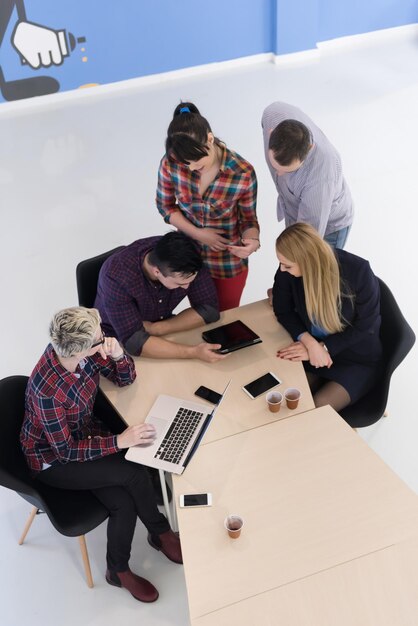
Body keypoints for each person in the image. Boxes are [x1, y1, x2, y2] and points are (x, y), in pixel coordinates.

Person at [20, 307, 182, 603]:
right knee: (133, 472)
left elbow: (125, 379)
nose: (104, 339)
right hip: (53, 461)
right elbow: (65, 451)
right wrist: (119, 441)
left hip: (82, 436)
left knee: (123, 503)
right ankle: (157, 535)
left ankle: (121, 566)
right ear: (84, 348)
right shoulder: (48, 392)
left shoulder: (82, 353)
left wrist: (118, 355)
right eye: (100, 338)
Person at [156, 102, 260, 311]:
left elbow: (248, 219)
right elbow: (165, 206)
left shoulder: (242, 173)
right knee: (201, 315)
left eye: (196, 160)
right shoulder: (171, 163)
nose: (192, 168)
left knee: (225, 317)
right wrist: (198, 233)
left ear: (210, 139)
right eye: (186, 164)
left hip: (227, 262)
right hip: (188, 258)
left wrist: (252, 241)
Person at [273, 223, 382, 413]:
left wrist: (325, 347)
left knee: (318, 407)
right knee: (289, 398)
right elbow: (283, 310)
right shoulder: (288, 270)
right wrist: (310, 343)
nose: (282, 269)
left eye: (287, 265)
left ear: (307, 260)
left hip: (354, 358)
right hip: (313, 351)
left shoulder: (358, 270)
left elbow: (367, 325)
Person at [94, 231, 225, 362]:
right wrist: (194, 352)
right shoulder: (116, 277)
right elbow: (134, 343)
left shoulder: (189, 257)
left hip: (158, 329)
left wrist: (156, 328)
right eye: (180, 283)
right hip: (114, 342)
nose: (187, 287)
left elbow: (209, 311)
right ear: (157, 271)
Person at [262, 101, 353, 249]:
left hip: (329, 227)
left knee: (317, 270)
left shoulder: (320, 176)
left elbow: (307, 237)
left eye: (288, 170)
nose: (279, 174)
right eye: (275, 165)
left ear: (308, 151)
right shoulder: (273, 114)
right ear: (271, 132)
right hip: (296, 210)